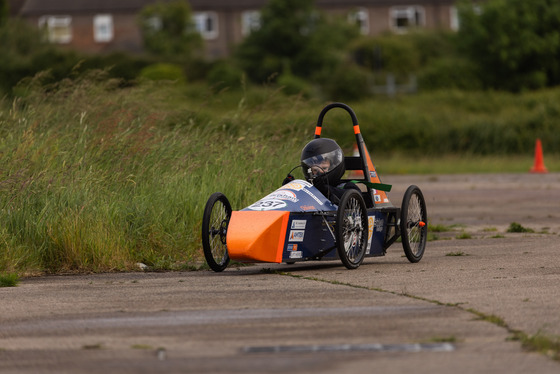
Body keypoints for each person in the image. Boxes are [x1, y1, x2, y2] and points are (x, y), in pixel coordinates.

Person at [298, 138, 360, 204]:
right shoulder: (308, 187)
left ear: (333, 165)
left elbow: (356, 199)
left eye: (324, 168)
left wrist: (327, 190)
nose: (320, 172)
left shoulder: (346, 186)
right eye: (315, 170)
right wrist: (289, 187)